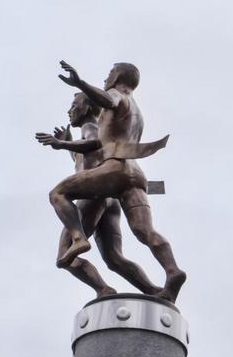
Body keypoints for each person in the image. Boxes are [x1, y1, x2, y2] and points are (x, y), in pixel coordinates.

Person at [37, 60, 186, 301]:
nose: (106, 79)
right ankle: (167, 279)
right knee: (131, 243)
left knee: (58, 197)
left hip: (105, 183)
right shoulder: (135, 112)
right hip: (130, 175)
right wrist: (68, 146)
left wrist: (81, 84)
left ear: (117, 77)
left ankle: (79, 241)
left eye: (74, 105)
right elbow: (91, 156)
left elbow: (98, 139)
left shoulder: (111, 101)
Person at [39, 93, 159, 298]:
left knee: (63, 257)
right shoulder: (87, 134)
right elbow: (86, 159)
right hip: (109, 199)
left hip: (94, 196)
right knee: (113, 258)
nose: (70, 111)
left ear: (86, 109)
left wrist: (62, 144)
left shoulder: (90, 127)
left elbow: (93, 142)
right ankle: (154, 291)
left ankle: (100, 284)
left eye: (74, 105)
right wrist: (68, 144)